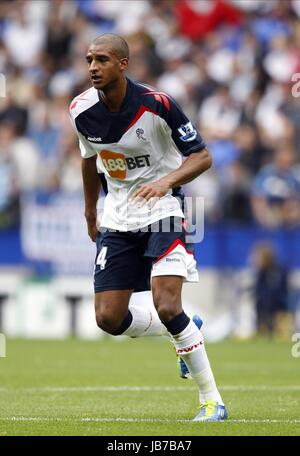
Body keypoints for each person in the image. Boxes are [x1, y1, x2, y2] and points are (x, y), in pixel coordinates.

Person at [70, 33, 227, 422]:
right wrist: (91, 213)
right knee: (108, 318)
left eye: (102, 59)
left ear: (123, 64)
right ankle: (184, 330)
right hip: (119, 218)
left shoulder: (158, 105)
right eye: (89, 59)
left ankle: (212, 402)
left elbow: (202, 156)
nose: (93, 67)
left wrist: (166, 181)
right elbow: (89, 160)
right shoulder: (80, 110)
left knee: (167, 303)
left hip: (164, 210)